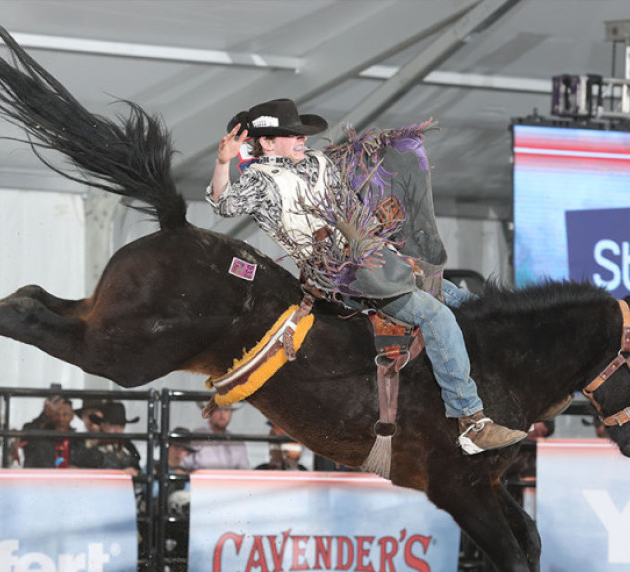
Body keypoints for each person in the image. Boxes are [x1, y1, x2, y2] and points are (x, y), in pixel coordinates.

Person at [207, 98, 530, 456]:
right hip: (338, 273)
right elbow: (225, 205)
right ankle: (469, 420)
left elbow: (353, 207)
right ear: (267, 143)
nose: (301, 139)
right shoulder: (260, 180)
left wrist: (382, 243)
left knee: (461, 299)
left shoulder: (318, 162)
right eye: (291, 135)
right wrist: (223, 163)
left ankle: (514, 377)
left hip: (374, 256)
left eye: (300, 134)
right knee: (435, 314)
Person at [69, 401, 142, 475]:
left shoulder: (127, 444)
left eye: (121, 425)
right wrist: (122, 473)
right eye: (112, 425)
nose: (117, 430)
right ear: (102, 425)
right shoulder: (87, 446)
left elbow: (136, 467)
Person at [180, 405, 250, 471]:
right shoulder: (196, 437)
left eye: (226, 410)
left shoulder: (237, 442)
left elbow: (246, 473)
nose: (222, 414)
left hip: (232, 483)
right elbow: (181, 468)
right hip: (203, 482)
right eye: (218, 409)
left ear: (230, 412)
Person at [19, 394, 76, 468]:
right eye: (56, 414)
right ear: (50, 416)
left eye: (65, 415)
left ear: (72, 416)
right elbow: (27, 431)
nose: (60, 419)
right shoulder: (41, 436)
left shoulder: (77, 440)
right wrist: (44, 415)